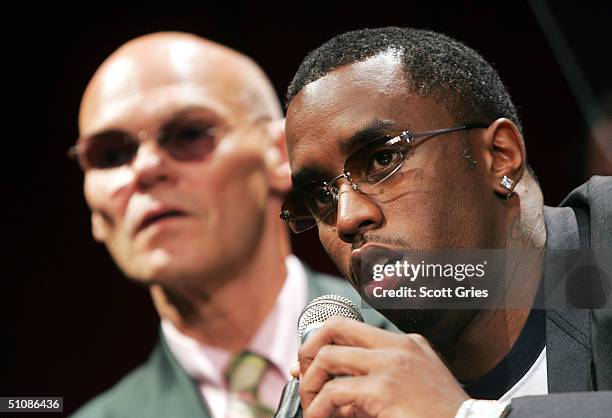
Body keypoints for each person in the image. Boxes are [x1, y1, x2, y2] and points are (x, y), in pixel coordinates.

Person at [281, 27, 612, 417]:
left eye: (382, 160)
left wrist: (463, 414)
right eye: (322, 197)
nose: (348, 217)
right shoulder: (376, 391)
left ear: (500, 157)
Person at [69, 32, 391, 418]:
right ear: (95, 213)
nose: (145, 168)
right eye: (111, 154)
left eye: (188, 134)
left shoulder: (433, 345)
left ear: (280, 154)